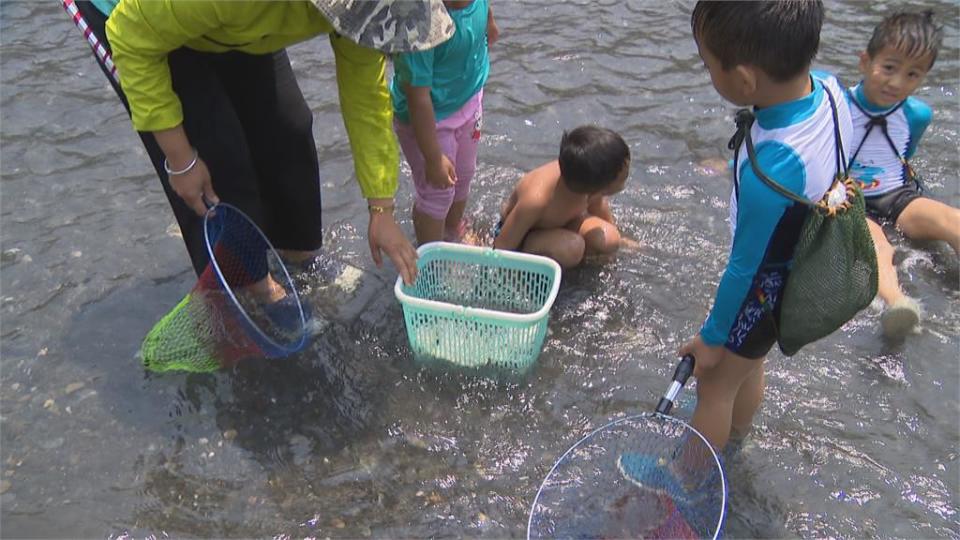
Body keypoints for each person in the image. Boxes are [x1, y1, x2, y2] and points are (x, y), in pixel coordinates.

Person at [71, 0, 457, 287]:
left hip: (224, 20)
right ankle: (252, 291)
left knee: (290, 132)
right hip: (134, 22)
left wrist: (381, 207)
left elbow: (365, 95)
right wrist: (180, 159)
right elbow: (130, 37)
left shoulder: (363, 10)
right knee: (223, 171)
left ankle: (299, 265)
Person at [845, 10, 955, 339]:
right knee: (877, 243)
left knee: (949, 219)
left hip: (896, 194)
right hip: (852, 199)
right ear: (865, 61)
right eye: (889, 68)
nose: (897, 82)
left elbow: (905, 155)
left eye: (912, 74)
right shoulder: (837, 103)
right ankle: (898, 305)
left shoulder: (916, 114)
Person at [391, 0, 499, 245]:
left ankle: (452, 231)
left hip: (468, 99)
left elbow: (485, 7)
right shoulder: (420, 23)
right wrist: (432, 157)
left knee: (464, 174)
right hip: (428, 119)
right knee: (437, 192)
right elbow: (418, 98)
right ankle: (431, 258)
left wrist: (489, 22)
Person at [492, 126, 630, 268]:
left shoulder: (585, 179)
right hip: (526, 235)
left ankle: (574, 265)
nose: (627, 176)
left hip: (565, 223)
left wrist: (623, 240)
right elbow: (502, 246)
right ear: (602, 186)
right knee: (572, 248)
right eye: (623, 177)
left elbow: (598, 206)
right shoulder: (536, 200)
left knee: (609, 240)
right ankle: (540, 268)